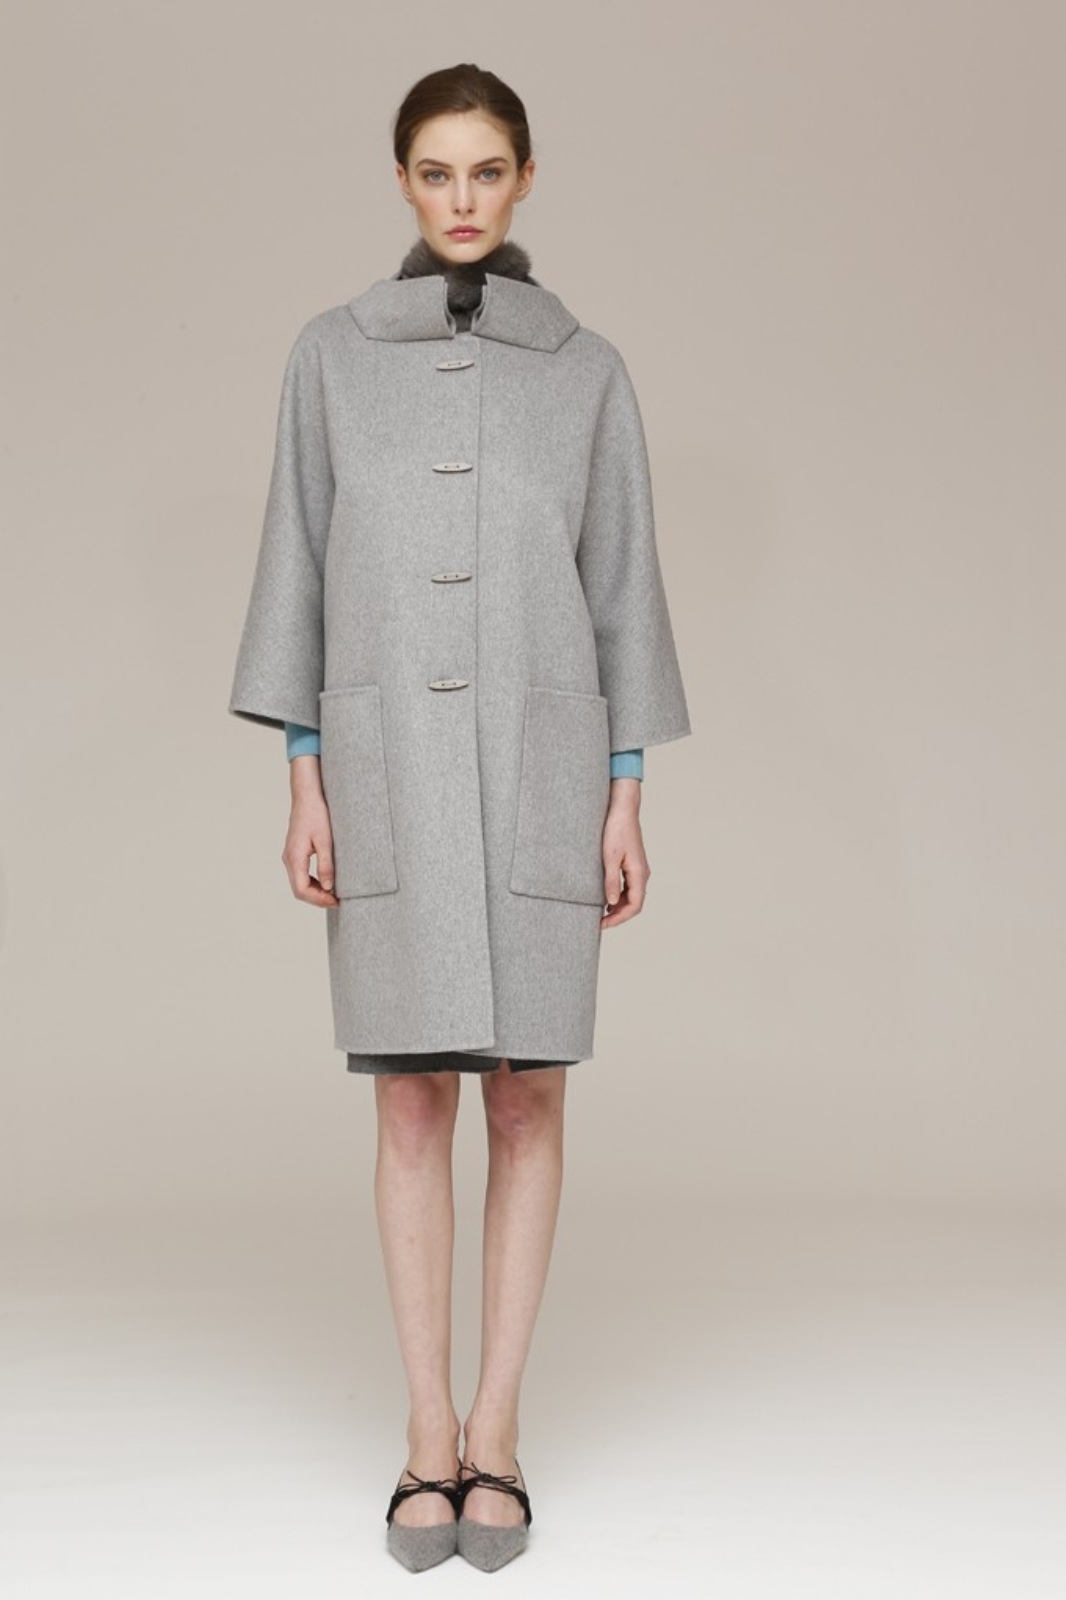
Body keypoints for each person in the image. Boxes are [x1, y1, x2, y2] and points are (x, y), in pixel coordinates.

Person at [228, 63, 692, 1572]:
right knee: (412, 1099)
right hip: (385, 772)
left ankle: (499, 1429)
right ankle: (425, 1434)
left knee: (528, 1097)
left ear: (526, 177)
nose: (463, 199)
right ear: (403, 184)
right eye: (436, 172)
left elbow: (622, 590)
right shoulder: (331, 357)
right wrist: (304, 774)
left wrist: (625, 793)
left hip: (546, 771)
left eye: (488, 170)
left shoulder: (587, 371)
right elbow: (298, 566)